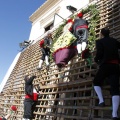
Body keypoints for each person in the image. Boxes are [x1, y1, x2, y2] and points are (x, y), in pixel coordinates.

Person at [93, 28, 120, 120]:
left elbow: (100, 53)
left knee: (96, 81)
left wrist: (96, 59)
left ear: (101, 34)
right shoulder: (114, 41)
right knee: (115, 89)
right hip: (115, 65)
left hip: (105, 65)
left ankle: (101, 100)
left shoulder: (99, 41)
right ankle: (114, 114)